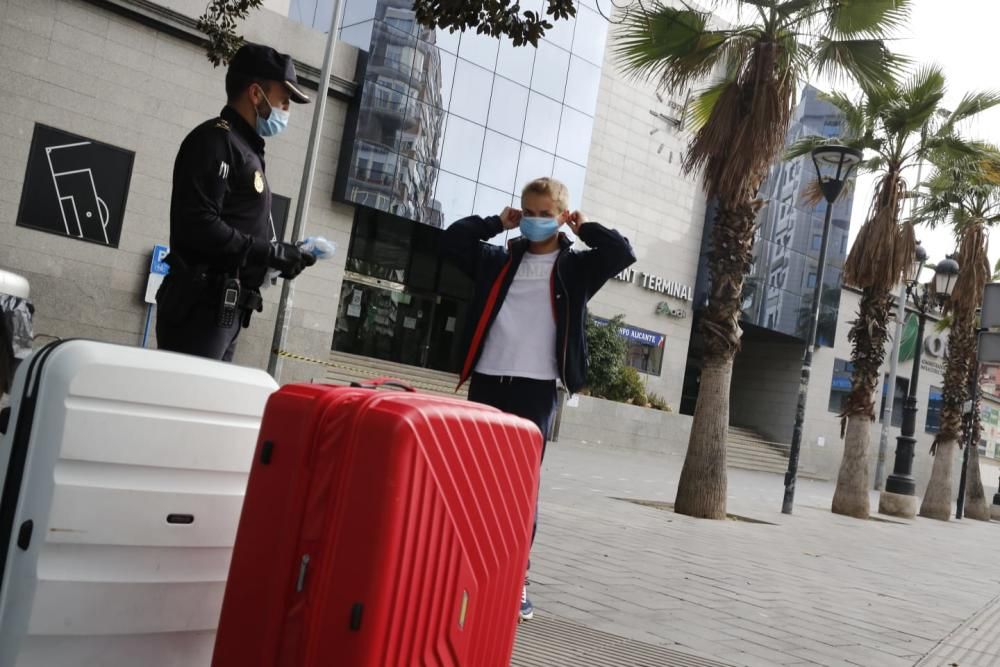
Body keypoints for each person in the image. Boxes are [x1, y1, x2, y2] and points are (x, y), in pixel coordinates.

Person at [441, 176, 636, 622]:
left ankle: (515, 579)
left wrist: (584, 228)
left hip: (536, 388)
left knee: (519, 489)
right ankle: (466, 572)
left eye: (545, 214)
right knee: (474, 483)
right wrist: (496, 222)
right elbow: (452, 242)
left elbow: (621, 253)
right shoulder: (497, 261)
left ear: (562, 216)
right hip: (488, 381)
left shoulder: (576, 269)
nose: (534, 221)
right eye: (528, 212)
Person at [156, 43, 316, 362]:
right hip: (198, 307)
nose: (287, 110)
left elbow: (235, 231)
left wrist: (276, 260)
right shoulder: (216, 142)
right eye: (284, 100)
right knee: (191, 406)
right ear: (256, 94)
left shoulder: (247, 150)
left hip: (226, 310)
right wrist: (265, 251)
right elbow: (199, 223)